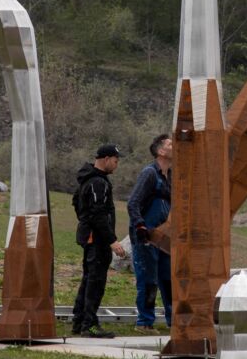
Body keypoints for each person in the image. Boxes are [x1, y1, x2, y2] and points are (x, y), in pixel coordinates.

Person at [70, 143, 128, 338]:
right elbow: (98, 214)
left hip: (91, 237)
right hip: (97, 239)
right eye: (115, 161)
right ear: (106, 159)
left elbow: (75, 201)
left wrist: (83, 220)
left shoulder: (89, 179)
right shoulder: (98, 183)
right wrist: (112, 240)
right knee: (96, 282)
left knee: (88, 279)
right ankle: (90, 325)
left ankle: (78, 321)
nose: (116, 165)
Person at [126, 133, 175, 330]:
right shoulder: (150, 173)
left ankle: (174, 321)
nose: (175, 146)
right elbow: (133, 203)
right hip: (146, 237)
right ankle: (145, 322)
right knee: (148, 279)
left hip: (163, 236)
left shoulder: (170, 175)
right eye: (171, 144)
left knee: (168, 279)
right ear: (161, 151)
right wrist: (140, 225)